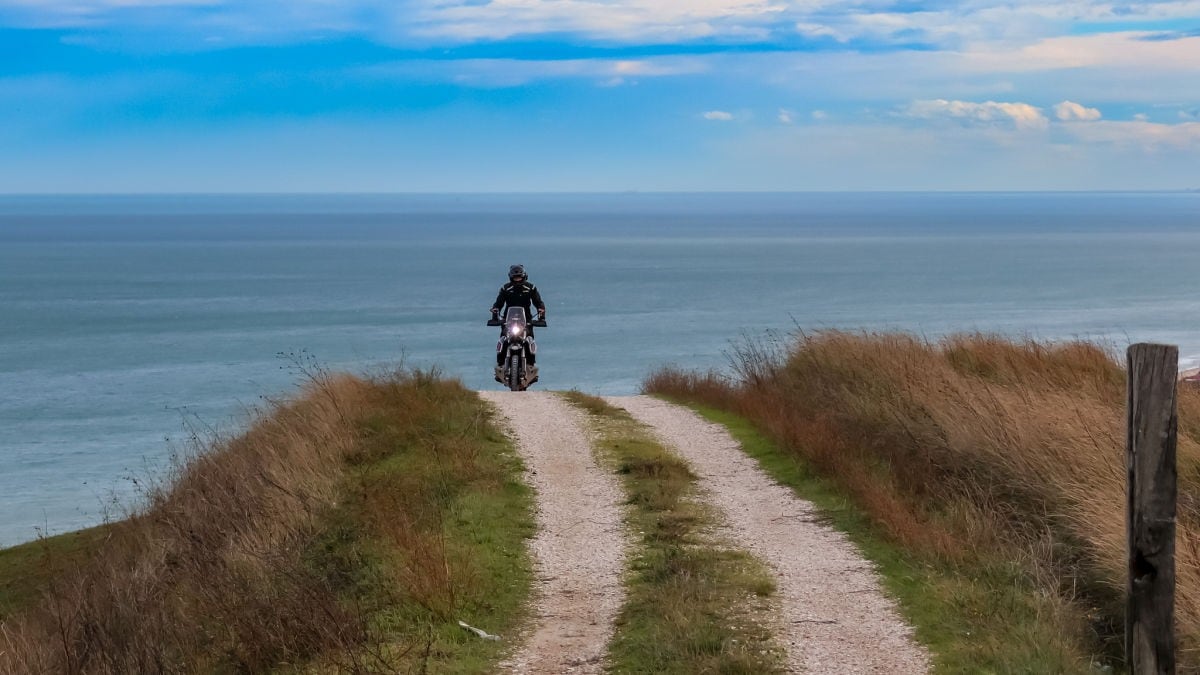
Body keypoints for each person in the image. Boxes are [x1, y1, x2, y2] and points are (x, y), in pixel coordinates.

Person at [491, 264, 546, 382]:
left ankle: (531, 366)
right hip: (508, 320)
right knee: (503, 340)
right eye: (515, 278)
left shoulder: (531, 288)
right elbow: (499, 303)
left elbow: (538, 302)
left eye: (519, 277)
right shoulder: (505, 288)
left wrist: (541, 312)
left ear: (524, 276)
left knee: (529, 340)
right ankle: (500, 365)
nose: (517, 280)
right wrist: (495, 310)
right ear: (511, 277)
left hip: (526, 321)